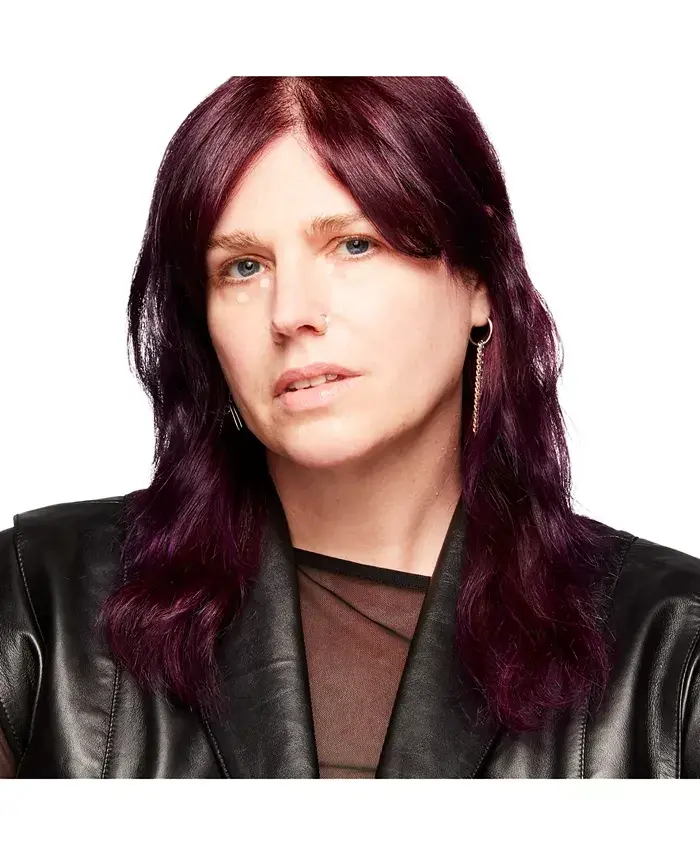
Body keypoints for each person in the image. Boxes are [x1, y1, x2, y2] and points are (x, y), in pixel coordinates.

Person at [1, 75, 699, 779]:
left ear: (478, 277)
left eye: (354, 245)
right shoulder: (39, 604)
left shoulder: (673, 647)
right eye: (243, 266)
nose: (289, 312)